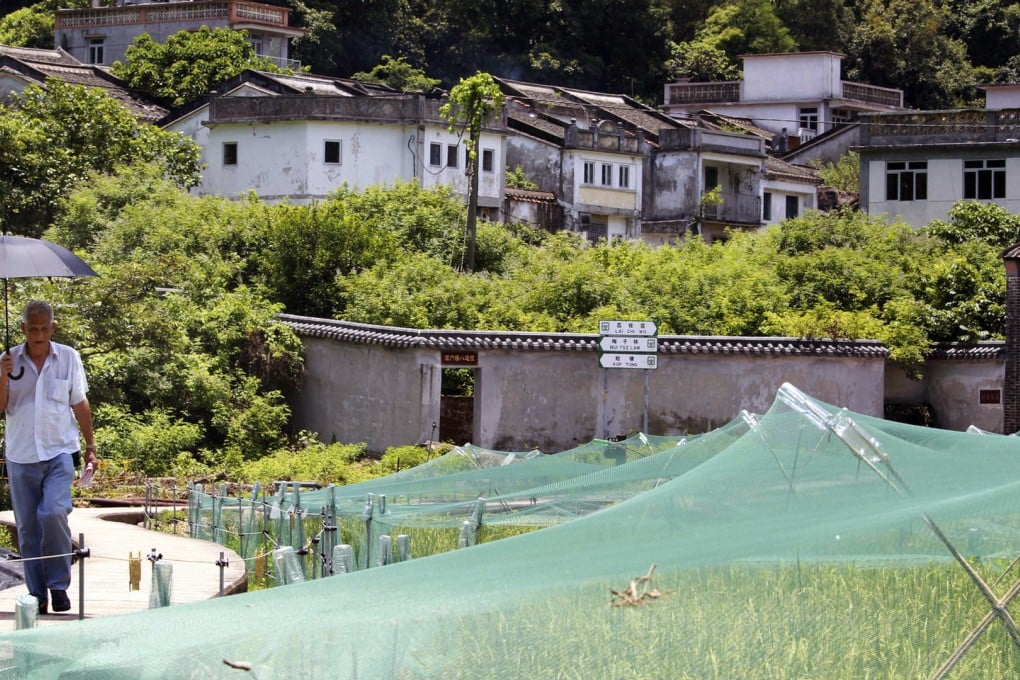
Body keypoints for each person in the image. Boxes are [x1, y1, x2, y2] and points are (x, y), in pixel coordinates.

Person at [0, 300, 96, 615]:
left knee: (53, 512)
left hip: (59, 451)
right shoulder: (8, 360)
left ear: (52, 329)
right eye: (33, 329)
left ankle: (58, 585)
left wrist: (91, 447)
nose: (38, 336)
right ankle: (37, 593)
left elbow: (80, 404)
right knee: (28, 527)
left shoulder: (69, 358)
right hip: (21, 454)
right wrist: (3, 375)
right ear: (24, 329)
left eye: (44, 329)